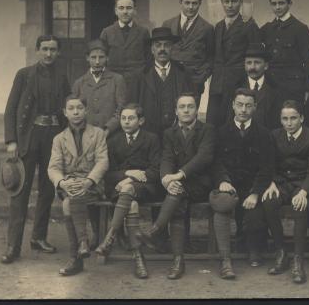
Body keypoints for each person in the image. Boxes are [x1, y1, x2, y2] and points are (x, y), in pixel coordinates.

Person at [1, 35, 71, 264]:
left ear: (58, 52)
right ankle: (13, 245)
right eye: (44, 49)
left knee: (48, 190)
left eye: (53, 49)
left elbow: (67, 109)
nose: (49, 54)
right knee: (20, 190)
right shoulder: (24, 75)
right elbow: (11, 109)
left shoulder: (62, 76)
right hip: (29, 138)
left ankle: (39, 237)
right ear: (37, 50)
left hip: (53, 138)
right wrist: (11, 141)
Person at [137, 93, 215, 279]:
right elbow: (167, 158)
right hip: (178, 185)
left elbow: (204, 157)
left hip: (200, 184)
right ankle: (177, 260)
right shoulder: (169, 133)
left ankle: (156, 232)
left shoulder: (207, 130)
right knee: (178, 202)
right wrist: (165, 178)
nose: (186, 110)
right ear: (176, 111)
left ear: (196, 110)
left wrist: (178, 175)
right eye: (182, 107)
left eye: (190, 106)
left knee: (177, 193)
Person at [210, 88, 274, 279]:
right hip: (229, 185)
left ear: (255, 107)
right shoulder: (221, 132)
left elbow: (267, 167)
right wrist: (222, 180)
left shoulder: (263, 133)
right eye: (239, 104)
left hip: (252, 186)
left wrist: (255, 193)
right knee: (223, 203)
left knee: (255, 215)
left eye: (248, 105)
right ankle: (226, 256)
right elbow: (215, 162)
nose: (243, 109)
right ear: (233, 106)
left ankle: (254, 248)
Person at [95, 103, 163, 279]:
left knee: (128, 189)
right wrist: (127, 173)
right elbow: (107, 174)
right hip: (119, 187)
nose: (126, 122)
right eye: (123, 118)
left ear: (141, 120)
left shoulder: (152, 139)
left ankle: (110, 236)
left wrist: (130, 179)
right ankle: (138, 258)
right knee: (131, 204)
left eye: (131, 118)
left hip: (146, 186)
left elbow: (156, 170)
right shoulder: (113, 141)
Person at [72, 39, 127, 248]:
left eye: (101, 57)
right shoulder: (80, 83)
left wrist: (107, 129)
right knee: (91, 183)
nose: (97, 61)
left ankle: (116, 231)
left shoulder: (117, 80)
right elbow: (76, 109)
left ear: (107, 58)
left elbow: (121, 109)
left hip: (111, 139)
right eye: (93, 57)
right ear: (87, 58)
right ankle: (97, 231)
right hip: (87, 142)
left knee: (112, 184)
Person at [47, 95, 109, 276]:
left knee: (68, 203)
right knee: (70, 198)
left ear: (86, 110)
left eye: (80, 108)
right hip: (70, 185)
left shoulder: (97, 134)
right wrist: (63, 182)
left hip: (93, 184)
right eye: (71, 108)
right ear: (65, 113)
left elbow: (102, 162)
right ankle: (82, 245)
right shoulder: (59, 139)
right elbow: (53, 167)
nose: (76, 112)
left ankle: (76, 257)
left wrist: (89, 181)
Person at [263, 100, 309, 284]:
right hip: (281, 183)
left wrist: (304, 191)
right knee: (269, 202)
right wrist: (271, 182)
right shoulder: (274, 136)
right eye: (285, 119)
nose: (289, 123)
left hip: (302, 184)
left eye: (293, 118)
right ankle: (281, 252)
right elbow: (269, 163)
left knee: (300, 207)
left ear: (302, 118)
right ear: (280, 120)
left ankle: (298, 259)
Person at [206, 0, 260, 127]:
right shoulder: (218, 27)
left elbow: (254, 56)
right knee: (212, 122)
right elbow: (213, 55)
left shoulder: (249, 26)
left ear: (241, 2)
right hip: (217, 83)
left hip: (237, 83)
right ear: (222, 3)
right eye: (226, 1)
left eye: (234, 1)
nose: (230, 5)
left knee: (232, 123)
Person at [260, 0, 309, 103]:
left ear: (290, 4)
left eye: (281, 3)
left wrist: (307, 89)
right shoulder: (268, 28)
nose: (277, 7)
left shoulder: (300, 28)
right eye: (274, 4)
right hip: (270, 86)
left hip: (293, 87)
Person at [134, 27, 192, 137]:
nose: (162, 49)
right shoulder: (140, 75)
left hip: (177, 134)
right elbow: (134, 107)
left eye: (167, 45)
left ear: (172, 49)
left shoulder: (183, 73)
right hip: (149, 134)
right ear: (152, 49)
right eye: (158, 45)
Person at [163, 0, 215, 97]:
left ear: (200, 3)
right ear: (180, 2)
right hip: (170, 80)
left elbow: (211, 57)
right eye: (187, 3)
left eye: (194, 3)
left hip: (194, 83)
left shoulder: (207, 28)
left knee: (190, 113)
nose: (191, 7)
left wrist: (201, 76)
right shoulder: (168, 24)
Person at [99, 0, 151, 101]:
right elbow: (101, 58)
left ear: (135, 10)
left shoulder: (143, 32)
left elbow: (148, 58)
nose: (125, 11)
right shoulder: (107, 32)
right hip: (113, 81)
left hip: (137, 82)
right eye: (121, 8)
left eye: (129, 8)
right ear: (116, 11)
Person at [234, 43, 284, 130]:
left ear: (266, 66)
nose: (252, 67)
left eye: (257, 62)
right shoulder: (235, 87)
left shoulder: (277, 89)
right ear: (244, 66)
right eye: (249, 63)